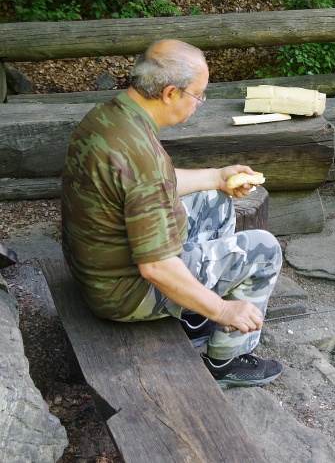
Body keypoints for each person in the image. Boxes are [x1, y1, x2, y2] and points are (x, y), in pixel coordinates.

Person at [61, 39, 283, 388]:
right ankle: (223, 362)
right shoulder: (141, 155)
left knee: (214, 200)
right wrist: (223, 310)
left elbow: (150, 186)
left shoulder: (111, 116)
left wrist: (217, 176)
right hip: (123, 292)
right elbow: (155, 266)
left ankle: (193, 312)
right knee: (264, 250)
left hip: (98, 265)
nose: (200, 103)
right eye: (198, 95)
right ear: (169, 93)